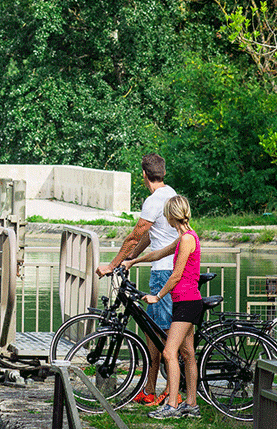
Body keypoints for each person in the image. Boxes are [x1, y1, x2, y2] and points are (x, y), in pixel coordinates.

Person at [95, 153, 178, 404]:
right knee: (151, 335)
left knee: (163, 336)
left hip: (164, 273)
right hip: (163, 270)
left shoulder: (154, 201)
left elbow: (134, 235)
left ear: (144, 174)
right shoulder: (171, 194)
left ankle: (171, 391)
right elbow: (150, 237)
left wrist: (112, 264)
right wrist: (130, 259)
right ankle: (150, 388)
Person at [123, 195, 202, 419]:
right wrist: (133, 260)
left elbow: (176, 274)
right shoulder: (184, 237)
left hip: (187, 302)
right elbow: (159, 253)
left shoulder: (187, 239)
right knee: (187, 354)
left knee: (169, 351)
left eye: (166, 214)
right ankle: (191, 404)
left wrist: (157, 296)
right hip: (185, 302)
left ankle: (172, 405)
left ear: (171, 215)